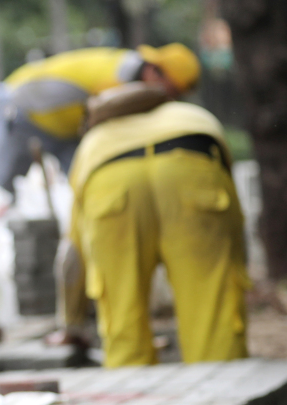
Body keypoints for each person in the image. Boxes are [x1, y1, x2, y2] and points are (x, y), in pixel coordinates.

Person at [68, 86, 247, 367]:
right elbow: (234, 220)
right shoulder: (190, 115)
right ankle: (225, 390)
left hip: (110, 177)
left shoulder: (94, 140)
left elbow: (74, 252)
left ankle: (133, 395)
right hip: (191, 161)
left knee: (122, 313)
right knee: (212, 309)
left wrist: (71, 322)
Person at [0, 43, 201, 192]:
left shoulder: (134, 80)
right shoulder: (114, 80)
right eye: (171, 90)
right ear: (154, 71)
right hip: (23, 111)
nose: (170, 98)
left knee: (89, 185)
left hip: (68, 131)